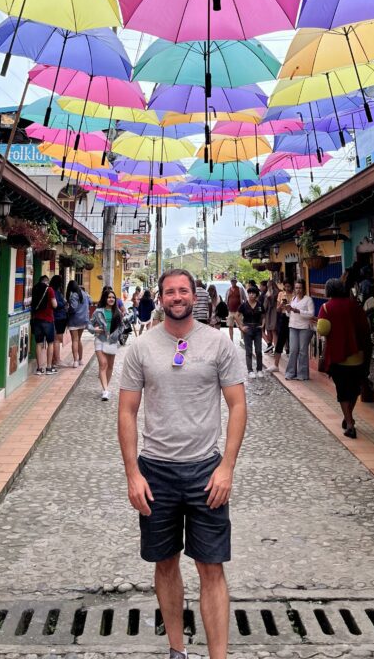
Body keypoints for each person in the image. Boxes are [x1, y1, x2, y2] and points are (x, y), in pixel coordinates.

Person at [118, 269, 247, 659]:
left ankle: (218, 657)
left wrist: (226, 467)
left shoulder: (218, 344)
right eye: (170, 291)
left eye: (183, 291)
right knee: (165, 562)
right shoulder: (142, 348)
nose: (177, 297)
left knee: (211, 567)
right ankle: (177, 650)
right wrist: (132, 474)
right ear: (160, 297)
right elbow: (126, 411)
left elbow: (238, 405)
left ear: (195, 296)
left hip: (206, 471)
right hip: (155, 471)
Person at [316, 278, 371, 438]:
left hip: (338, 356)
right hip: (357, 355)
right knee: (354, 389)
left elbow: (323, 330)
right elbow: (364, 327)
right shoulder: (355, 306)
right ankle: (349, 417)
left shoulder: (326, 308)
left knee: (342, 391)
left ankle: (350, 424)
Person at [89, 286, 123, 400]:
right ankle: (105, 390)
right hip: (100, 339)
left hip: (112, 341)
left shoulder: (118, 313)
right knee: (103, 364)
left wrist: (117, 334)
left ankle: (105, 388)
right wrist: (95, 330)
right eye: (109, 297)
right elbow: (89, 324)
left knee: (110, 366)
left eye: (113, 297)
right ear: (105, 298)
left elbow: (122, 327)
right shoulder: (98, 312)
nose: (111, 299)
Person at [285, 279, 316, 381]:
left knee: (302, 351)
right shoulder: (293, 299)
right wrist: (288, 310)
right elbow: (289, 314)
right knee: (293, 350)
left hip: (304, 328)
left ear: (304, 289)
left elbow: (311, 314)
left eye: (300, 288)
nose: (298, 290)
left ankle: (303, 374)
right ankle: (290, 373)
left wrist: (299, 311)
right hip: (293, 326)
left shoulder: (308, 300)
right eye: (296, 288)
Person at [30, 275, 56, 375]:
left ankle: (39, 368)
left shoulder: (34, 289)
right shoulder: (49, 290)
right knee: (50, 343)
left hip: (37, 319)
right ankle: (49, 367)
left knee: (39, 343)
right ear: (46, 282)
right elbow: (54, 304)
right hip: (48, 319)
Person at [237, 285, 264, 379]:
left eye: (253, 293)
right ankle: (250, 370)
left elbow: (263, 315)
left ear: (256, 295)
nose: (251, 295)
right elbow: (237, 316)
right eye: (250, 293)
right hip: (247, 328)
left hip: (257, 328)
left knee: (259, 350)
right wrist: (241, 327)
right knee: (248, 351)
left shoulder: (259, 304)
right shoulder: (244, 305)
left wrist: (263, 324)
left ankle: (259, 369)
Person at [268, 281, 292, 373]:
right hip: (283, 318)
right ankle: (276, 364)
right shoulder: (281, 294)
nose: (287, 288)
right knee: (280, 341)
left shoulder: (294, 294)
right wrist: (282, 305)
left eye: (289, 286)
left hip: (293, 318)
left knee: (292, 342)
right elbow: (277, 309)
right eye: (285, 286)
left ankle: (292, 366)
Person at [66, 279, 90, 367]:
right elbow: (90, 302)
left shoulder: (73, 295)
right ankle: (81, 360)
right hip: (83, 319)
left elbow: (73, 308)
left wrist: (67, 309)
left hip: (74, 320)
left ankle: (75, 361)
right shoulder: (85, 294)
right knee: (79, 339)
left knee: (74, 340)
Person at [49, 274, 68, 368]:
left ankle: (54, 359)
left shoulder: (54, 291)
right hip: (59, 317)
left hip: (57, 317)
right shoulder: (54, 292)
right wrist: (63, 303)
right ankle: (57, 360)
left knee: (55, 340)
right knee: (57, 340)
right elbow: (57, 304)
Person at [225, 278, 246, 343]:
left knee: (240, 325)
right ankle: (231, 340)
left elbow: (244, 299)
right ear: (230, 282)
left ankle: (243, 339)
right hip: (230, 310)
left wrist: (243, 308)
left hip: (238, 311)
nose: (233, 282)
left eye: (234, 281)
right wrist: (226, 308)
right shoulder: (228, 290)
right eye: (232, 281)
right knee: (230, 326)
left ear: (236, 282)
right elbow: (226, 299)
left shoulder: (240, 289)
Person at [263, 279, 279, 354]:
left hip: (273, 314)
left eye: (269, 285)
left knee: (273, 331)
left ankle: (275, 348)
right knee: (269, 330)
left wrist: (269, 298)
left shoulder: (276, 293)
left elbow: (269, 304)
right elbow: (265, 306)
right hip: (269, 314)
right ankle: (271, 348)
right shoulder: (269, 293)